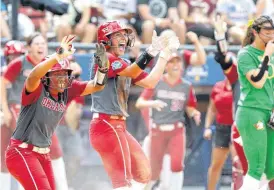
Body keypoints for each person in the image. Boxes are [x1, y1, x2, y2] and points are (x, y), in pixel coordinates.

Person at [4, 35, 108, 190]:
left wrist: (103, 69)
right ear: (46, 77)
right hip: (22, 151)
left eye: (65, 74)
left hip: (43, 155)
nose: (62, 78)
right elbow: (33, 75)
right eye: (57, 74)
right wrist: (57, 56)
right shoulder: (36, 88)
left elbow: (97, 85)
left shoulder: (68, 89)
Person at [89, 20, 180, 190]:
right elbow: (132, 71)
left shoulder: (122, 62)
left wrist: (164, 55)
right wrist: (151, 51)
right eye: (117, 35)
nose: (123, 38)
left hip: (116, 125)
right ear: (105, 40)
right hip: (106, 124)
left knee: (143, 174)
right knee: (123, 181)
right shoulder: (105, 57)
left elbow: (151, 82)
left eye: (124, 35)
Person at [0, 33, 69, 190]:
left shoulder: (51, 64)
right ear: (29, 47)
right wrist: (4, 108)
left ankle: (61, 186)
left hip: (42, 111)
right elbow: (2, 83)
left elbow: (69, 74)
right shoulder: (20, 63)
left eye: (43, 43)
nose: (41, 46)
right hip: (19, 108)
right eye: (37, 43)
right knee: (20, 150)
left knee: (54, 149)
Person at [135, 52, 201, 190]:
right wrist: (153, 104)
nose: (176, 65)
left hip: (176, 129)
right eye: (172, 62)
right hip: (157, 130)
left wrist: (194, 113)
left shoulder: (186, 86)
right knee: (154, 172)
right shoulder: (156, 82)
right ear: (165, 66)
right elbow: (139, 103)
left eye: (178, 61)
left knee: (176, 165)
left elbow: (190, 107)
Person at [235, 15, 274, 190]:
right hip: (251, 112)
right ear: (255, 32)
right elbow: (257, 81)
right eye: (267, 33)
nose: (271, 37)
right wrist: (266, 56)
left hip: (268, 112)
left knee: (271, 169)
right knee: (256, 168)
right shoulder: (245, 54)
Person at [0, 40, 25, 190]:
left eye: (18, 56)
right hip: (4, 116)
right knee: (3, 157)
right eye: (12, 56)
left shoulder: (27, 73)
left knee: (24, 154)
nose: (15, 59)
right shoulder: (3, 73)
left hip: (21, 115)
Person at [203, 78, 233, 190]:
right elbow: (211, 109)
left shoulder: (243, 86)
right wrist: (207, 127)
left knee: (238, 165)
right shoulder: (218, 86)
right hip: (222, 129)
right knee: (216, 165)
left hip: (238, 129)